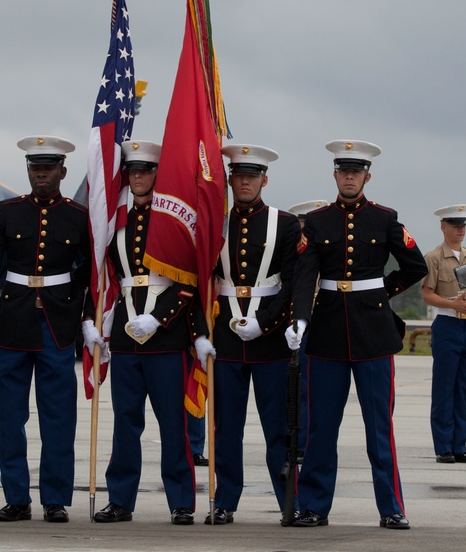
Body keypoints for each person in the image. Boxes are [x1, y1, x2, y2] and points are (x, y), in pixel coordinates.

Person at [0, 135, 90, 524]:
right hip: (12, 324)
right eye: (35, 168)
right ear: (29, 171)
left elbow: (93, 273)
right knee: (11, 418)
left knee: (58, 418)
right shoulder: (8, 212)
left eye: (48, 169)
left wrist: (81, 307)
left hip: (56, 326)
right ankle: (16, 497)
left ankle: (55, 498)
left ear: (63, 171)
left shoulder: (78, 216)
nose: (41, 175)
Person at [287, 140, 427, 530]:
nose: (349, 176)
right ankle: (313, 505)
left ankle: (391, 507)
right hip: (328, 331)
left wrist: (382, 291)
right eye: (343, 170)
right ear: (335, 175)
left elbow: (415, 267)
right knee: (320, 428)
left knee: (379, 427)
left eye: (357, 171)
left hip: (374, 333)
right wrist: (300, 318)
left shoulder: (385, 219)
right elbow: (304, 275)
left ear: (367, 175)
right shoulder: (316, 221)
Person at [93, 140, 215, 526]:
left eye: (145, 171)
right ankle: (120, 500)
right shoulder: (118, 224)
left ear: (157, 175)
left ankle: (180, 500)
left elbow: (189, 281)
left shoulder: (173, 223)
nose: (139, 177)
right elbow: (108, 277)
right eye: (133, 172)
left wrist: (160, 318)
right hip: (127, 339)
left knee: (173, 425)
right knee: (125, 424)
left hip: (166, 339)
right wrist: (103, 318)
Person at [205, 144, 301, 525]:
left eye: (252, 176)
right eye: (238, 175)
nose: (244, 182)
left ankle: (288, 501)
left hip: (270, 339)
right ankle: (225, 500)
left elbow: (292, 283)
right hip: (226, 337)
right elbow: (204, 277)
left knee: (279, 429)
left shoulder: (287, 223)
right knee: (226, 428)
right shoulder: (215, 223)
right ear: (229, 179)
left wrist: (266, 322)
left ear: (265, 179)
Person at [420, 204, 466, 465]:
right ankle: (443, 447)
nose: (460, 230)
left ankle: (459, 445)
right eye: (455, 225)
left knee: (463, 389)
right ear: (443, 227)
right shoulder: (434, 258)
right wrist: (454, 304)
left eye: (463, 225)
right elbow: (427, 293)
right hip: (448, 324)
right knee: (444, 388)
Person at [286, 199, 327, 458]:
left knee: (317, 389)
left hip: (322, 323)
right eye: (302, 223)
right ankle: (297, 442)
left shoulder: (325, 253)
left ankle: (311, 441)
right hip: (294, 324)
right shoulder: (290, 253)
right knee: (295, 386)